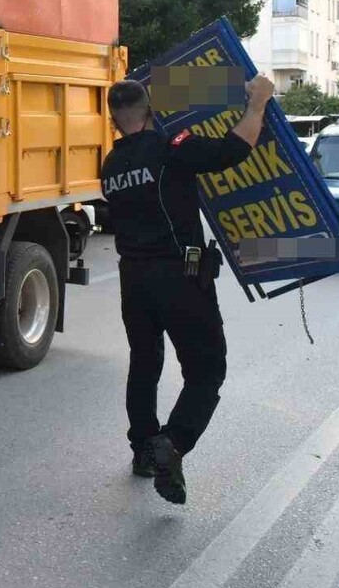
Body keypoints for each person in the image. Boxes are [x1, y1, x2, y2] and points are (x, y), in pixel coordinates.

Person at [100, 73, 274, 504]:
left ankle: (143, 448)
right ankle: (172, 444)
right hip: (179, 277)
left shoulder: (110, 165)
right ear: (151, 110)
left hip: (133, 280)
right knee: (206, 370)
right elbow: (233, 150)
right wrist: (257, 104)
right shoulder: (169, 149)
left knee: (144, 363)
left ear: (112, 119)